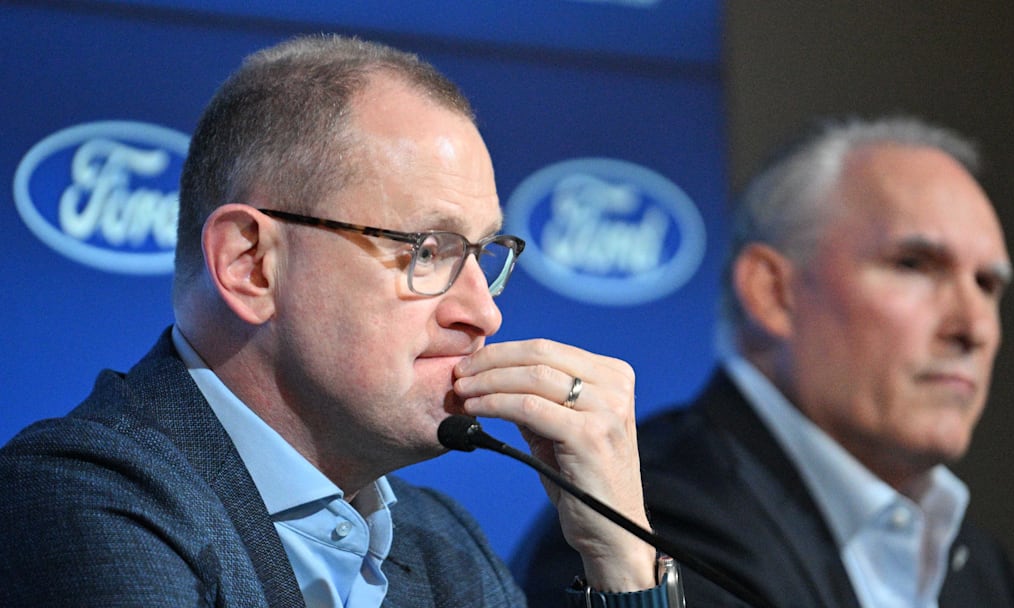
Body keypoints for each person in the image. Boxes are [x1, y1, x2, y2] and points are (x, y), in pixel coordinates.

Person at [0, 34, 670, 607]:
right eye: (428, 249)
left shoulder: (445, 547)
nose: (483, 311)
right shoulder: (79, 498)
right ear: (251, 264)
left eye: (484, 253)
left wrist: (622, 558)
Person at [513, 116, 1014, 607]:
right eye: (913, 265)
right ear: (773, 292)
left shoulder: (976, 564)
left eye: (988, 285)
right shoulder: (650, 523)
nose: (973, 328)